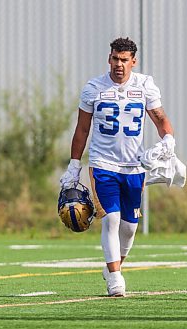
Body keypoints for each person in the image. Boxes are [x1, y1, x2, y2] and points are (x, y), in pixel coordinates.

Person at [59, 37, 175, 297]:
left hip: (134, 165)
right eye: (115, 59)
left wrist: (168, 139)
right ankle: (115, 280)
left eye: (124, 60)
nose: (119, 65)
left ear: (133, 62)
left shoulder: (145, 85)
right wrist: (74, 164)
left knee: (129, 226)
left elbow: (161, 119)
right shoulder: (93, 88)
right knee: (111, 219)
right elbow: (82, 129)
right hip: (103, 163)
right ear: (108, 59)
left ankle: (113, 267)